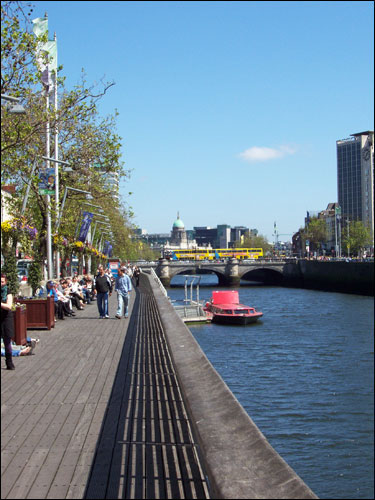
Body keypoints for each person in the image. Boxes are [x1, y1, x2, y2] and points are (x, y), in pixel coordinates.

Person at [1, 274, 15, 370]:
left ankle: (9, 362)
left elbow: (9, 306)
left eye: (2, 281)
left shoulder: (8, 292)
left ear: (5, 282)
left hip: (6, 317)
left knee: (7, 340)